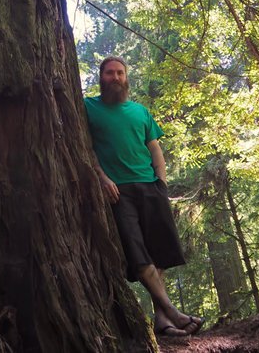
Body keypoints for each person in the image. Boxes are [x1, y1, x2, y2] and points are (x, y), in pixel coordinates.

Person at [84, 55, 204, 337]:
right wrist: (102, 178)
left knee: (158, 252)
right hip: (118, 191)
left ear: (126, 78)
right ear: (101, 77)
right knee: (137, 253)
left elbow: (154, 148)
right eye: (110, 73)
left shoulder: (140, 111)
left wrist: (161, 182)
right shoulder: (88, 107)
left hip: (150, 187)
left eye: (120, 73)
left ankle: (162, 320)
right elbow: (85, 147)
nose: (115, 78)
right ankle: (172, 311)